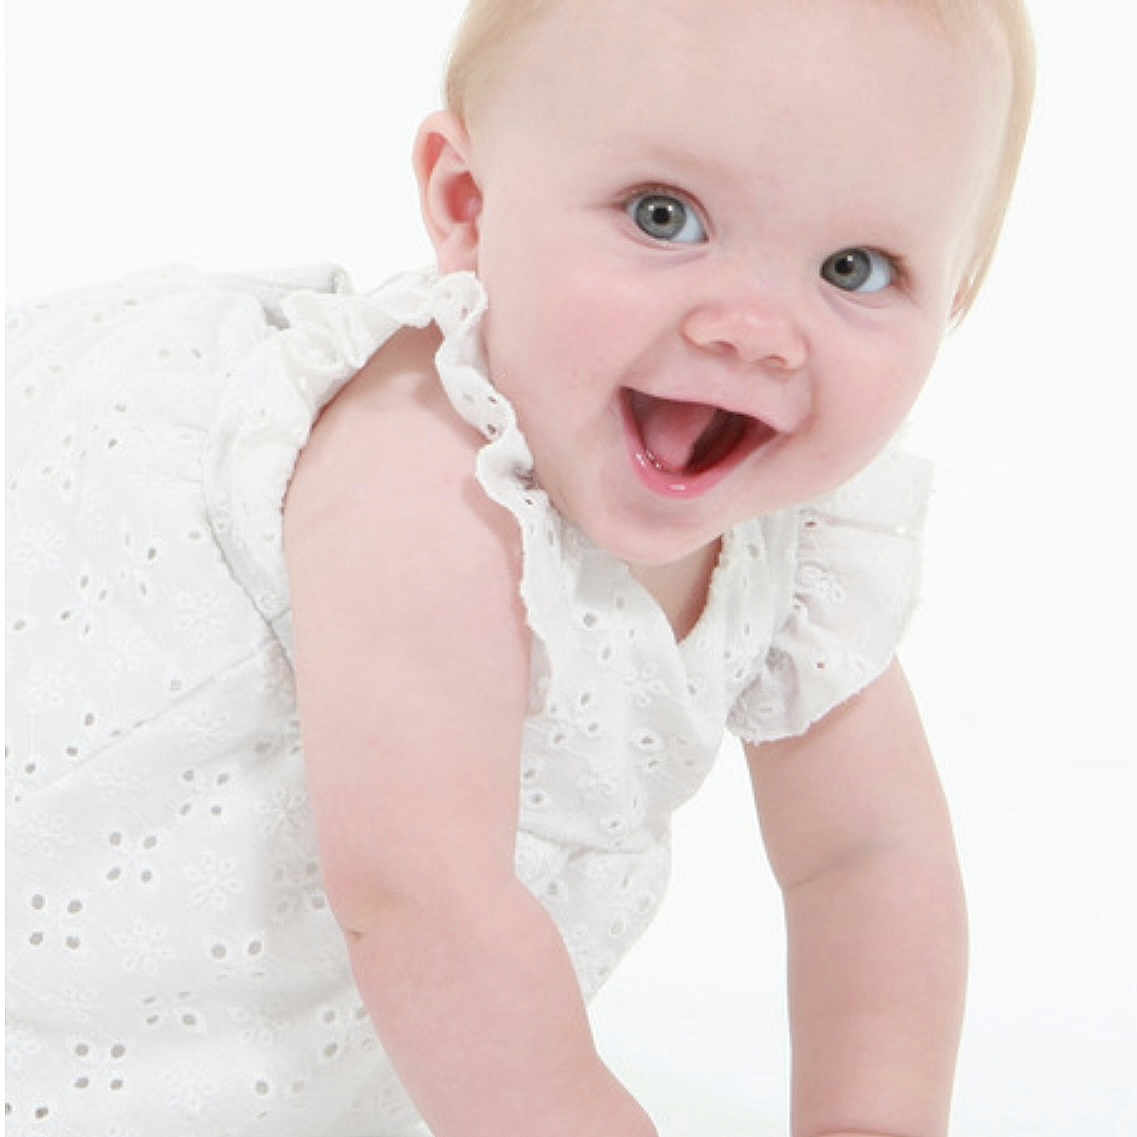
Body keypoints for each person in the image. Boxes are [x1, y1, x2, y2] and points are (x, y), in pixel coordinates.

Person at [4, 0, 1035, 1133]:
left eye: (856, 266)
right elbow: (425, 902)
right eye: (665, 216)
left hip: (371, 997)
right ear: (470, 206)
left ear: (957, 301)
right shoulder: (425, 476)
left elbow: (867, 862)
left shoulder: (801, 551)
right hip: (113, 922)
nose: (755, 328)